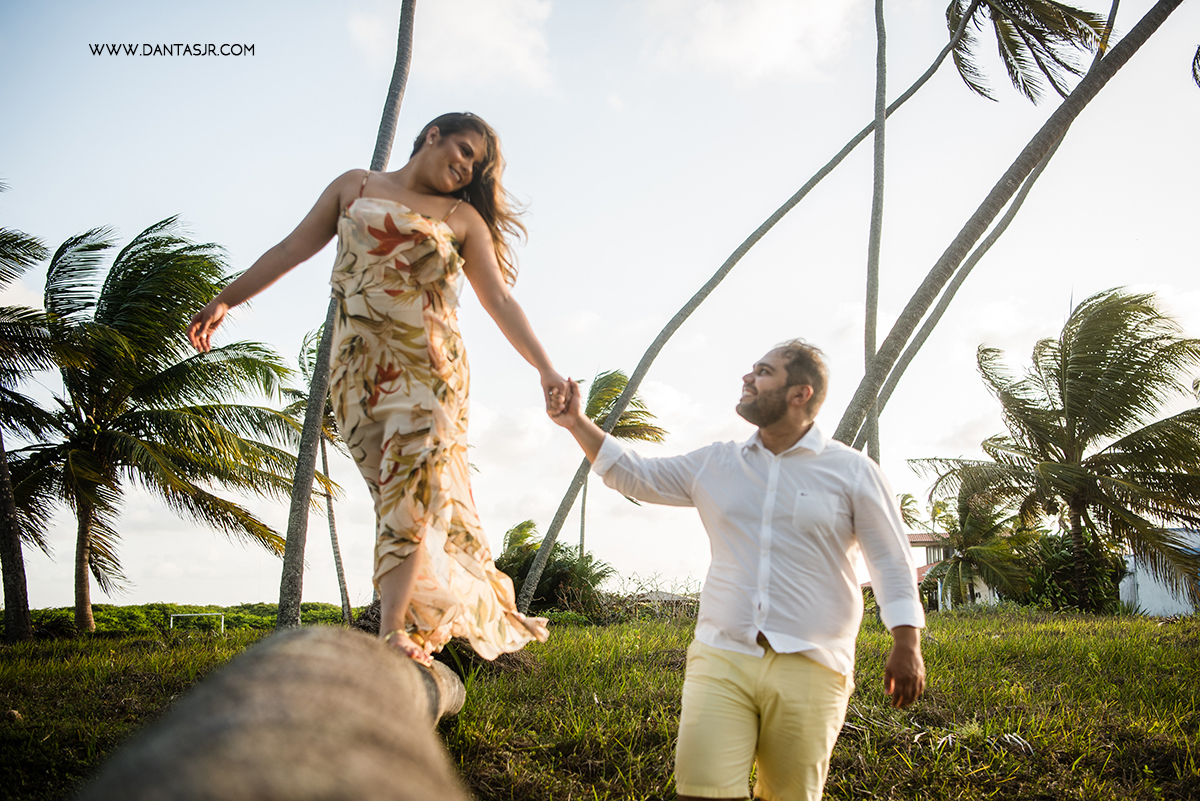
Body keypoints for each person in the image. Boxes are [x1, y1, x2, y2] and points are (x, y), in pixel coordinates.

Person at [188, 112, 565, 665]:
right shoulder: (354, 186)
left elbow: (500, 301)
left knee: (408, 491)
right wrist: (227, 298)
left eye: (476, 165)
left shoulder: (463, 219)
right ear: (432, 135)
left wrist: (545, 368)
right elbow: (291, 249)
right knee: (389, 492)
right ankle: (412, 612)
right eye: (463, 150)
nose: (466, 167)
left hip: (431, 373)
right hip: (357, 373)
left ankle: (392, 629)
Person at [549, 340, 925, 801]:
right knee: (699, 794)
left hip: (813, 661)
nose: (747, 378)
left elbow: (890, 557)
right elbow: (636, 474)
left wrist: (906, 641)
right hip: (722, 655)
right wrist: (577, 424)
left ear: (799, 394)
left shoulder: (852, 471)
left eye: (763, 372)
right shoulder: (717, 463)